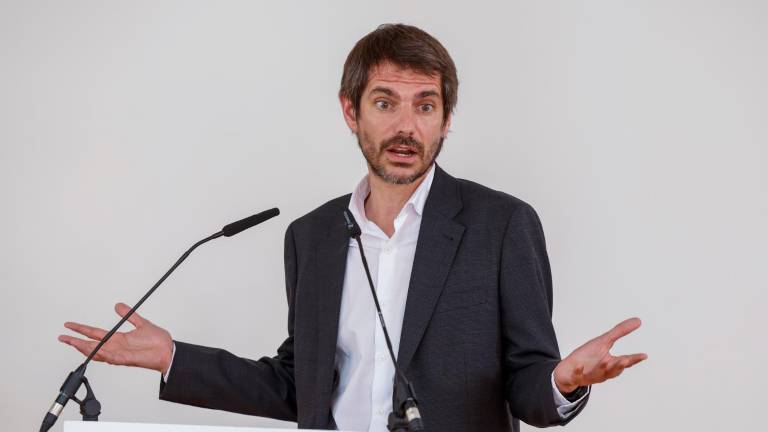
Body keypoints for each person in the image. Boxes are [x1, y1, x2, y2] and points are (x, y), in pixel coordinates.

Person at [59, 24, 647, 431]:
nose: (406, 126)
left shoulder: (502, 225)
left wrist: (562, 381)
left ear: (446, 119)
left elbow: (528, 384)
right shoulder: (311, 237)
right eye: (386, 102)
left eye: (425, 105)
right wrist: (173, 358)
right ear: (351, 111)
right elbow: (300, 386)